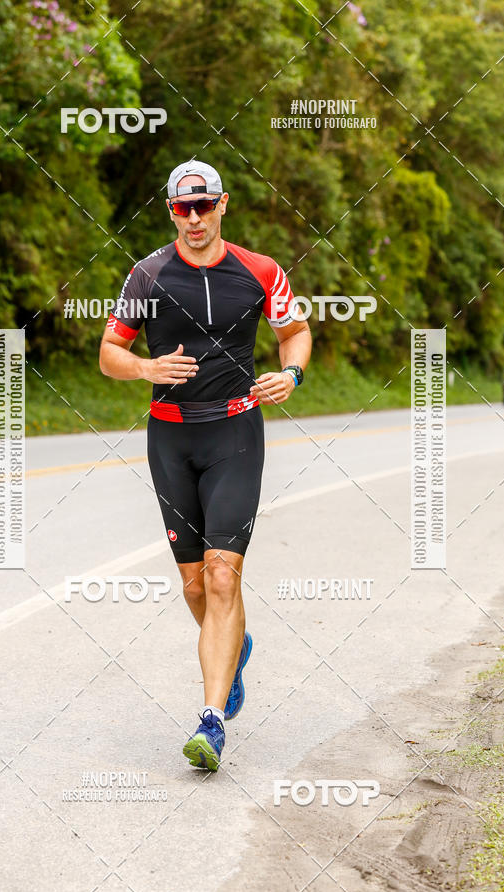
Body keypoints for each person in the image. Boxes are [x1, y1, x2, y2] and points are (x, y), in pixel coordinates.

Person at [100, 160, 312, 771]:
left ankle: (212, 722)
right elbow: (110, 351)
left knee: (223, 578)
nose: (193, 218)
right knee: (194, 585)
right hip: (169, 440)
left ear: (223, 205)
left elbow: (294, 331)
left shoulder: (260, 271)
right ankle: (235, 646)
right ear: (171, 212)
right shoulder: (148, 275)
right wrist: (143, 368)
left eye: (203, 206)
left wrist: (292, 372)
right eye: (180, 209)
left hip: (234, 431)